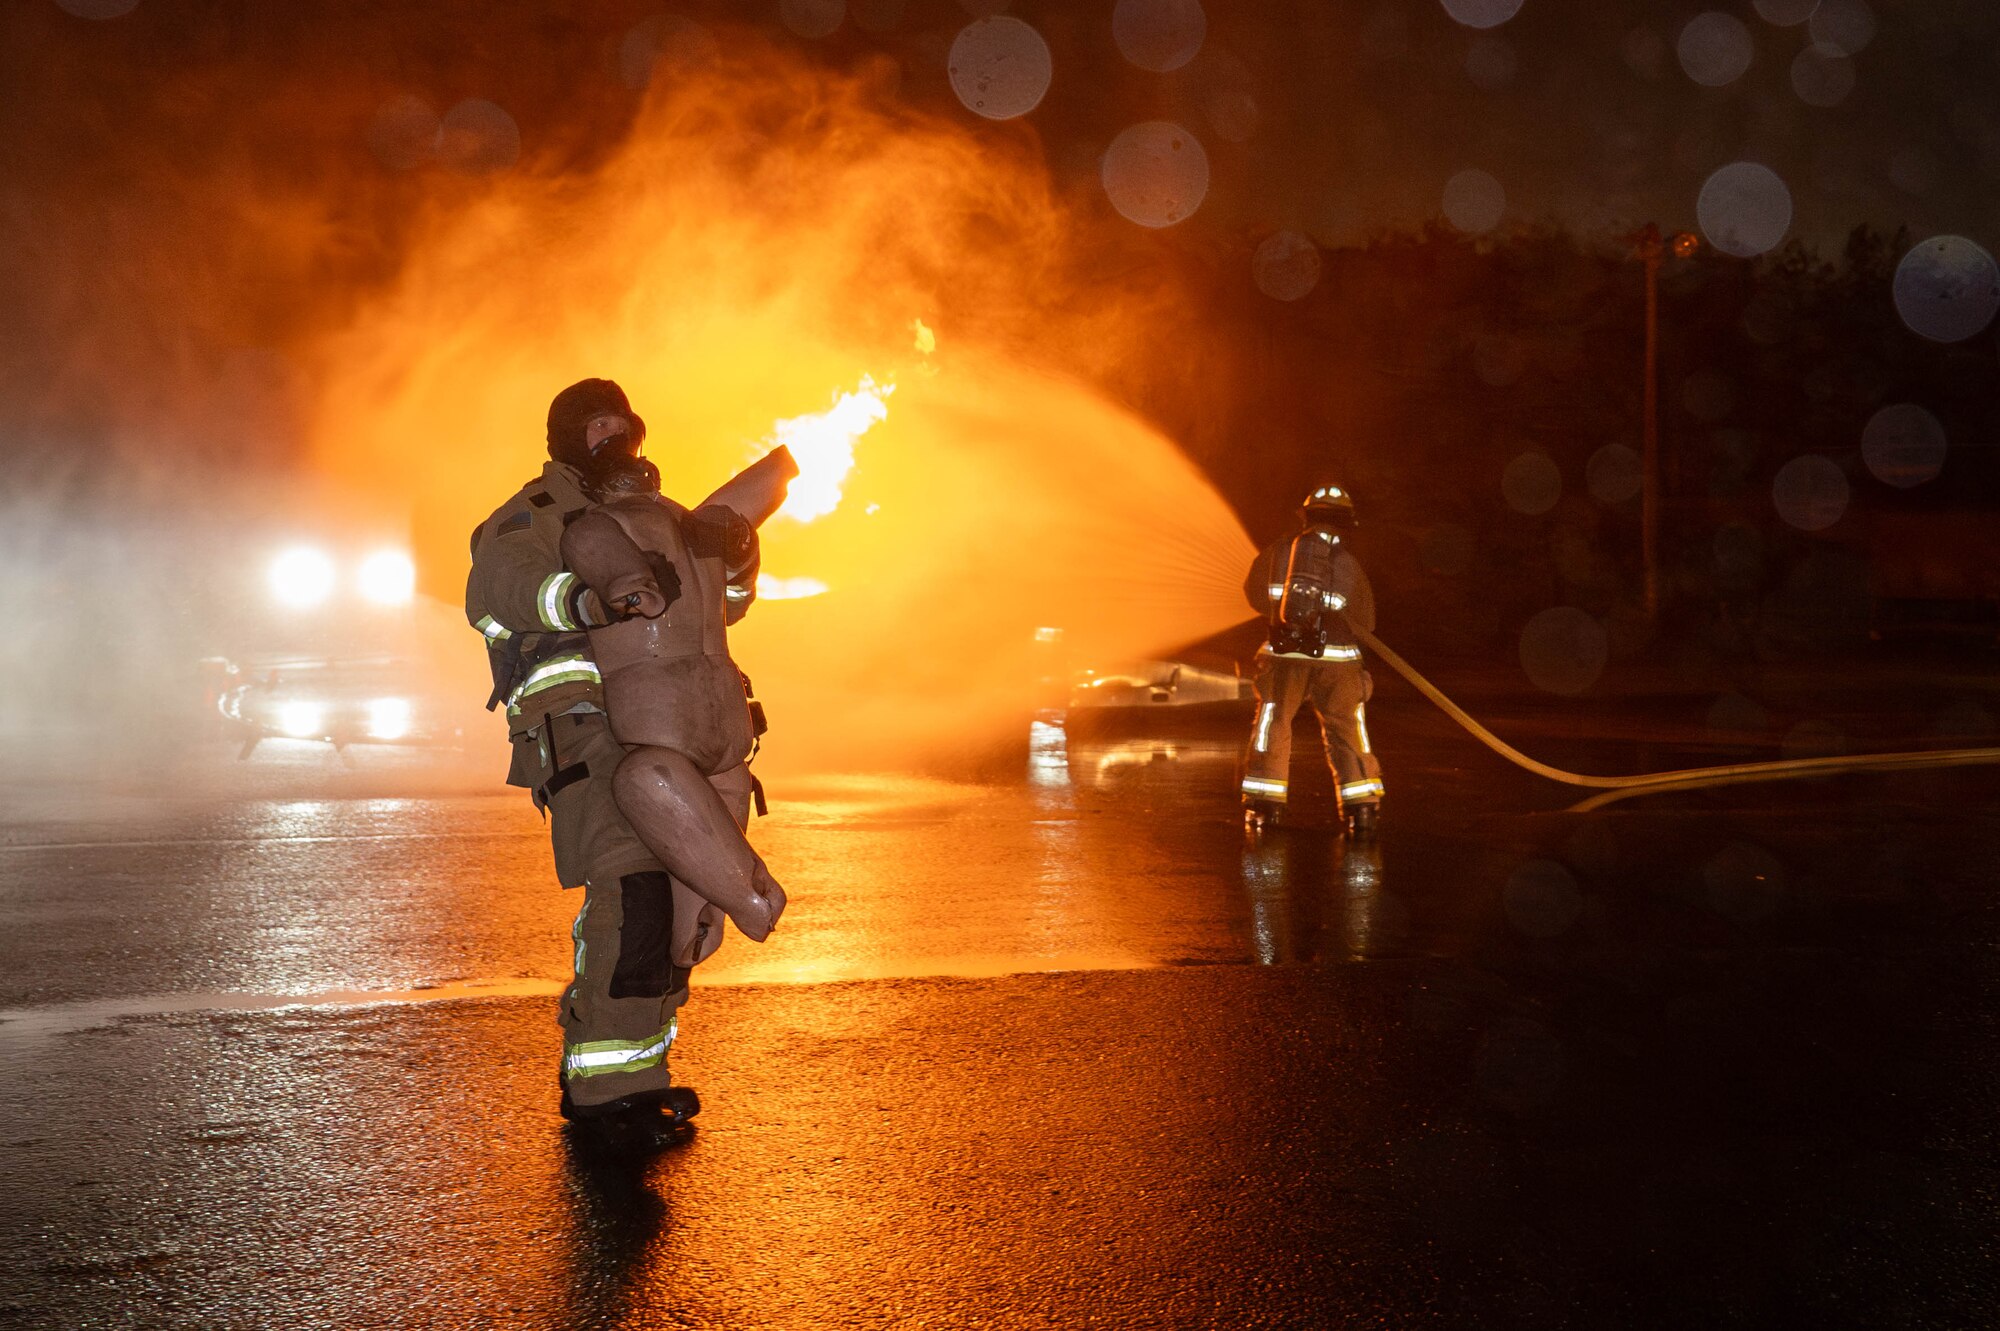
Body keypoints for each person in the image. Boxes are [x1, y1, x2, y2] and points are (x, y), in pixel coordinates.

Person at [465, 378, 767, 1146]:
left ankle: (642, 1072)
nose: (613, 438)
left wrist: (737, 560)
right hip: (586, 731)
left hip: (670, 730)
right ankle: (604, 1094)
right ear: (566, 438)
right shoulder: (537, 514)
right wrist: (592, 600)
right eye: (594, 427)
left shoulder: (652, 516)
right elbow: (497, 591)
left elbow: (716, 609)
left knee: (677, 904)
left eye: (621, 424)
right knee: (631, 892)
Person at [1240, 484, 1385, 837]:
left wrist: (1287, 614)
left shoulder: (1277, 554)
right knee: (1347, 730)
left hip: (1284, 657)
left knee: (1274, 724)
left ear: (1306, 516)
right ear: (1345, 522)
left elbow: (1255, 595)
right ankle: (1360, 810)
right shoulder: (1348, 564)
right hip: (1339, 664)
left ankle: (1265, 807)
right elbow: (1366, 623)